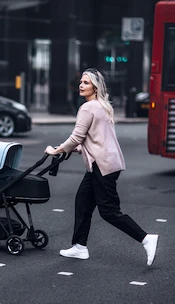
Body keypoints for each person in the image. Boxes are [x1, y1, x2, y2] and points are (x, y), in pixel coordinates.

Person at [44, 68, 159, 266]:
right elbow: (92, 140)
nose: (81, 85)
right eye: (81, 81)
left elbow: (76, 137)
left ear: (95, 87)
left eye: (86, 82)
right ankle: (79, 247)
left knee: (109, 211)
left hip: (103, 165)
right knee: (83, 202)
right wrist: (67, 149)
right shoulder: (101, 106)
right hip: (104, 163)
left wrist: (57, 151)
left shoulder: (88, 108)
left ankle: (146, 238)